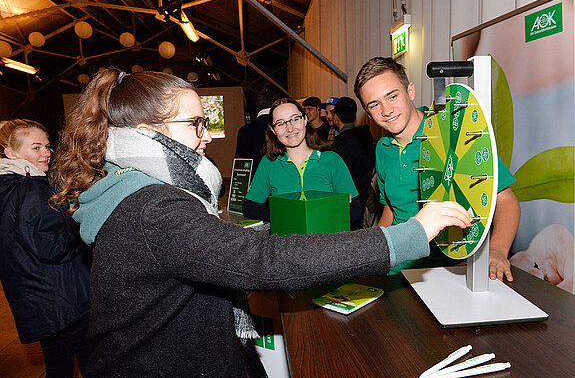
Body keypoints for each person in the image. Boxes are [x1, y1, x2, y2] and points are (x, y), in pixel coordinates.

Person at [50, 68, 471, 377]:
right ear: (147, 131)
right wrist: (409, 235)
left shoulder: (137, 189)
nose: (207, 135)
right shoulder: (155, 206)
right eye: (196, 123)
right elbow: (263, 260)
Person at [354, 57, 521, 281]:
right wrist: (373, 255)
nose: (386, 110)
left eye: (392, 96)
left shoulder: (453, 131)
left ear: (410, 91)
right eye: (374, 105)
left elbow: (506, 201)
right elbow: (391, 210)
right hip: (396, 273)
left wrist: (498, 251)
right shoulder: (383, 148)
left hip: (449, 271)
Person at [0, 119, 93, 378]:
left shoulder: (8, 186)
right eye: (36, 147)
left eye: (47, 146)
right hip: (65, 298)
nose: (47, 153)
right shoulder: (30, 187)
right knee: (97, 364)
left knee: (58, 366)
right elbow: (50, 247)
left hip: (39, 298)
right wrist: (80, 226)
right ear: (10, 152)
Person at [242, 97, 363, 229]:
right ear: (273, 130)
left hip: (328, 241)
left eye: (295, 119)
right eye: (281, 123)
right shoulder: (269, 163)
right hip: (287, 243)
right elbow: (250, 206)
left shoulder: (331, 160)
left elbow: (354, 208)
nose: (290, 128)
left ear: (305, 120)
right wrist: (284, 215)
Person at [331, 96, 376, 219]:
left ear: (336, 117)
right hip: (362, 198)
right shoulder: (367, 137)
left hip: (346, 205)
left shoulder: (337, 147)